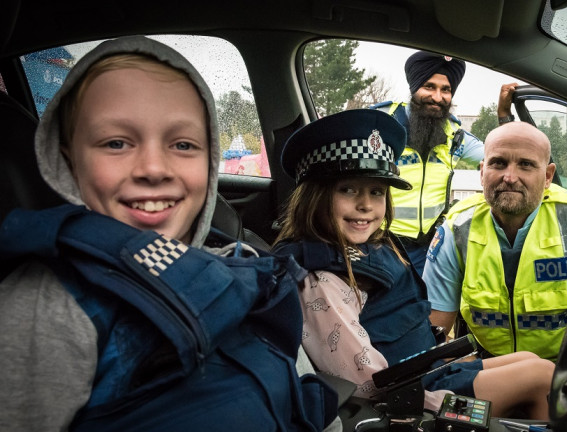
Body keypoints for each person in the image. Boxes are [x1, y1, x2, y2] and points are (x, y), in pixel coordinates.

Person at [0, 36, 337, 431]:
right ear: (67, 159)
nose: (153, 168)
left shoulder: (238, 264)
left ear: (210, 160)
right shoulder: (48, 306)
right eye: (116, 142)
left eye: (182, 144)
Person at [272, 109, 554, 420]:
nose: (366, 204)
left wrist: (441, 362)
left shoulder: (371, 247)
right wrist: (442, 405)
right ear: (315, 195)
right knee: (541, 379)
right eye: (348, 189)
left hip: (419, 372)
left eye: (377, 191)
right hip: (404, 400)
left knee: (531, 360)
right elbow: (365, 385)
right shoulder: (319, 277)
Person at [423, 122, 567, 362]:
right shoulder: (457, 228)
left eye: (526, 165)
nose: (509, 177)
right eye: (498, 163)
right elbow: (434, 334)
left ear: (548, 176)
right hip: (491, 368)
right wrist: (474, 371)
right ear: (482, 171)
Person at [371, 50, 519, 274]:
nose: (438, 97)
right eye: (429, 87)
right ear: (414, 88)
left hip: (428, 250)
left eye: (446, 90)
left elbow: (504, 156)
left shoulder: (455, 137)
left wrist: (504, 116)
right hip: (379, 245)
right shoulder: (380, 124)